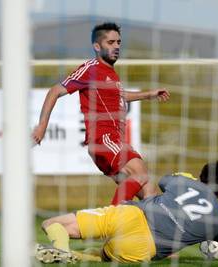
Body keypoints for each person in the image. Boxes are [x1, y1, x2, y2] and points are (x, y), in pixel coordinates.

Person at [32, 22, 170, 204]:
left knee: (149, 193)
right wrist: (42, 127)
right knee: (140, 171)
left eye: (119, 42)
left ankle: (147, 230)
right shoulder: (91, 68)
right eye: (111, 42)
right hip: (103, 138)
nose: (117, 47)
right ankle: (107, 223)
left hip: (114, 141)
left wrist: (148, 95)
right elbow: (54, 91)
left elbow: (119, 97)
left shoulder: (111, 74)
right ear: (97, 46)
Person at [35, 161, 218, 263]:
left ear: (203, 174)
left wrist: (192, 183)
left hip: (132, 214)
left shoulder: (185, 181)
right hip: (146, 246)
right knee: (103, 257)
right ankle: (71, 257)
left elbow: (164, 180)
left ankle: (61, 249)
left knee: (52, 223)